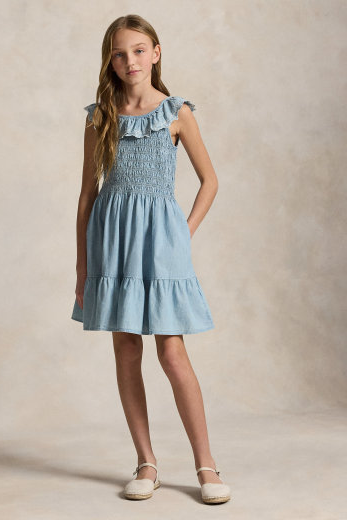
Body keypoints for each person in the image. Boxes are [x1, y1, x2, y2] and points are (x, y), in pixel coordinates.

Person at [71, 14, 231, 504]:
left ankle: (206, 465)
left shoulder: (176, 113)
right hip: (111, 242)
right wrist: (82, 267)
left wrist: (183, 232)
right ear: (110, 62)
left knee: (171, 352)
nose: (130, 61)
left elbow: (210, 181)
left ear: (156, 53)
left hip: (160, 243)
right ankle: (146, 461)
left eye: (139, 50)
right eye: (119, 54)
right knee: (126, 349)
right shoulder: (100, 116)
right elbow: (87, 196)